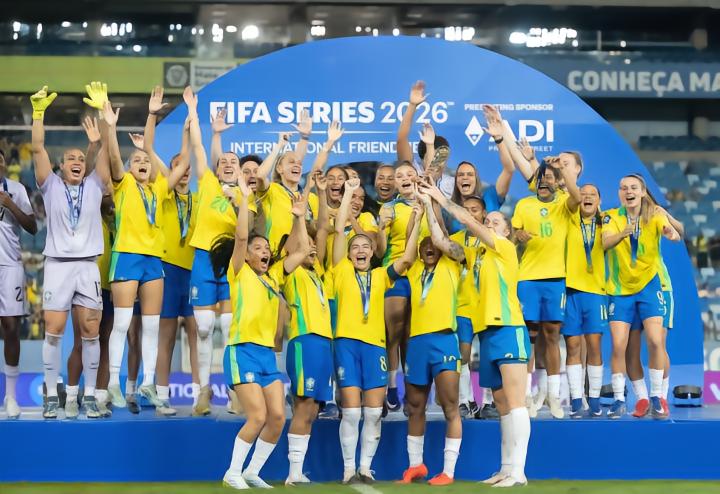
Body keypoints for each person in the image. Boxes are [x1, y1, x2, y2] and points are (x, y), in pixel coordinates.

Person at [427, 183, 531, 487]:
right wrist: (428, 203)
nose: (489, 223)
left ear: (507, 231)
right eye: (488, 221)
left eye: (495, 221)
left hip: (509, 327)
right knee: (501, 403)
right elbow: (441, 241)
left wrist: (440, 196)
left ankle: (519, 472)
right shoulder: (478, 255)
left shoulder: (505, 248)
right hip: (486, 332)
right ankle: (506, 468)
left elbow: (468, 221)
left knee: (516, 402)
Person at [210, 173, 310, 490]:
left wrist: (299, 218)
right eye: (258, 247)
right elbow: (241, 237)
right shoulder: (238, 272)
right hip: (242, 351)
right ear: (248, 254)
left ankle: (252, 472)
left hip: (267, 355)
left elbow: (303, 251)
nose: (264, 250)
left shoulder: (274, 275)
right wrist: (243, 199)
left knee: (277, 417)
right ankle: (232, 473)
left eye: (267, 247)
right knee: (256, 416)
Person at [103, 89, 189, 410]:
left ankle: (148, 383)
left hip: (153, 261)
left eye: (145, 161)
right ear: (129, 169)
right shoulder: (124, 184)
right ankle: (113, 383)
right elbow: (115, 160)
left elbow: (182, 164)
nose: (141, 163)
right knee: (122, 323)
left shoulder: (160, 189)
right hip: (127, 256)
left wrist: (162, 120)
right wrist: (110, 127)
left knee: (151, 326)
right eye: (136, 161)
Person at [30, 84, 109, 419]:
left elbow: (103, 152)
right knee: (53, 331)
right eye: (70, 159)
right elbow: (37, 148)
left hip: (88, 267)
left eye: (81, 158)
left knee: (91, 333)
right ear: (60, 166)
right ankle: (51, 395)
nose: (77, 162)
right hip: (59, 266)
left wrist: (103, 120)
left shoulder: (94, 184)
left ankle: (89, 396)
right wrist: (38, 114)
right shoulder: (50, 185)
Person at [331, 178, 414, 483]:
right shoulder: (340, 271)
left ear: (372, 252)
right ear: (348, 254)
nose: (361, 250)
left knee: (373, 412)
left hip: (375, 347)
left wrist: (418, 218)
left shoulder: (380, 276)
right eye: (356, 247)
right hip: (346, 344)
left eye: (366, 246)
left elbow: (407, 259)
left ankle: (365, 468)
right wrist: (347, 195)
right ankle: (347, 470)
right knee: (352, 412)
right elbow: (338, 231)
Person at [133, 86, 199, 416]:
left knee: (198, 335)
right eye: (176, 168)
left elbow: (188, 159)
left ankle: (201, 397)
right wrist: (153, 115)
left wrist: (188, 132)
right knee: (167, 337)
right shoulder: (166, 194)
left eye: (186, 169)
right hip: (169, 270)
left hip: (195, 272)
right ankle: (162, 395)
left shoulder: (199, 199)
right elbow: (148, 148)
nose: (183, 172)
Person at [397, 183, 464, 486]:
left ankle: (448, 471)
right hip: (417, 343)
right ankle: (416, 466)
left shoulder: (451, 265)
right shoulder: (413, 270)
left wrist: (431, 204)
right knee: (415, 406)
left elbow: (441, 239)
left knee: (450, 406)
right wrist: (417, 214)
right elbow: (410, 245)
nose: (428, 247)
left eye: (432, 244)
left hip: (444, 340)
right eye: (424, 245)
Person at [602, 174, 681, 420]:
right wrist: (623, 233)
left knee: (656, 341)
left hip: (650, 285)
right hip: (619, 289)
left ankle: (658, 396)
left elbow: (673, 233)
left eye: (633, 187)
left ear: (643, 192)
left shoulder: (654, 215)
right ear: (619, 193)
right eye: (623, 188)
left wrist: (670, 232)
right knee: (620, 345)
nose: (628, 191)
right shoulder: (611, 217)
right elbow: (604, 243)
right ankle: (629, 398)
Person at [511, 162, 581, 419]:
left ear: (557, 182)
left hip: (555, 279)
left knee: (552, 336)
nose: (543, 181)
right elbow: (511, 237)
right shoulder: (523, 205)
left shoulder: (563, 203)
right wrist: (518, 235)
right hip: (528, 278)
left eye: (549, 177)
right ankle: (525, 395)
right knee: (528, 336)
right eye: (540, 177)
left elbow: (577, 197)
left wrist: (564, 173)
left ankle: (553, 395)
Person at [379, 162, 430, 411]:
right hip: (396, 274)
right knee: (394, 333)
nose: (405, 178)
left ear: (418, 178)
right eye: (399, 176)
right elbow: (380, 251)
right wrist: (381, 228)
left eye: (410, 174)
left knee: (412, 335)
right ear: (395, 184)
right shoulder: (389, 208)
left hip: (423, 276)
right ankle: (391, 387)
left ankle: (412, 389)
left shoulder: (430, 203)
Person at [562, 184, 607, 418]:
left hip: (596, 292)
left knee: (595, 346)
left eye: (593, 194)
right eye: (583, 194)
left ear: (599, 200)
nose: (587, 197)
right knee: (572, 347)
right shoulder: (569, 218)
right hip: (570, 291)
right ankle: (577, 400)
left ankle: (595, 399)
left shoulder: (606, 223)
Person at [0, 145, 36, 420]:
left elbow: (32, 227)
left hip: (10, 265)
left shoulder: (16, 189)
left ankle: (11, 397)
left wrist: (9, 204)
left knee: (11, 327)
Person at [447, 194, 486, 419]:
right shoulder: (454, 240)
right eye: (466, 210)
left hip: (487, 307)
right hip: (462, 306)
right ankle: (466, 400)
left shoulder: (492, 238)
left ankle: (488, 401)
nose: (470, 213)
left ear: (483, 213)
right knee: (463, 355)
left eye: (475, 209)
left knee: (489, 355)